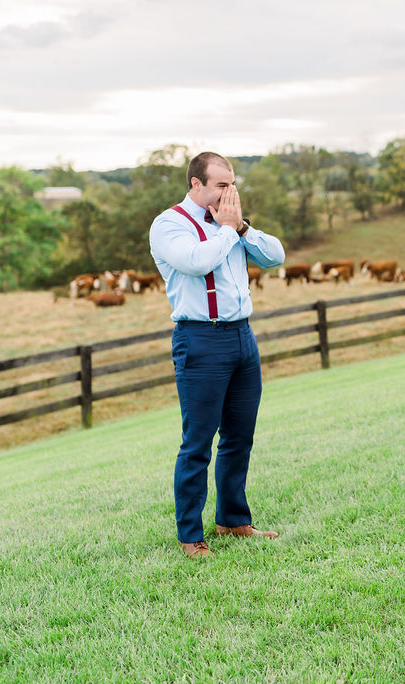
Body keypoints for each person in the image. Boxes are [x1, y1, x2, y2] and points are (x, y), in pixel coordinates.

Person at [150, 151, 286, 559]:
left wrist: (240, 227)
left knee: (239, 437)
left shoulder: (232, 225)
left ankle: (232, 519)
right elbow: (197, 262)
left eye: (232, 184)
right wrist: (228, 229)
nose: (230, 192)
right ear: (197, 184)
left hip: (243, 337)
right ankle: (190, 536)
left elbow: (276, 256)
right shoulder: (169, 224)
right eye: (221, 185)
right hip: (200, 340)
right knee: (197, 443)